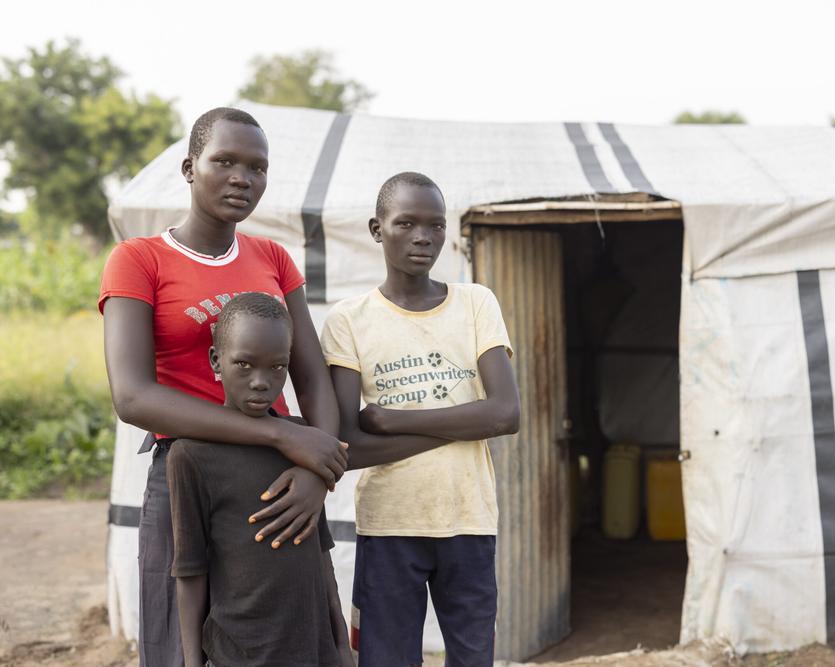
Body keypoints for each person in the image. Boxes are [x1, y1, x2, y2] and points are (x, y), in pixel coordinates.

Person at [100, 107, 348, 667]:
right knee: (178, 638)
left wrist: (316, 471)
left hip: (276, 483)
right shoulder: (139, 261)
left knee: (295, 634)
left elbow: (311, 374)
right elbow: (133, 396)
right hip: (186, 470)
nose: (243, 177)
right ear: (190, 168)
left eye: (257, 167)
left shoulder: (273, 258)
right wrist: (283, 439)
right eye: (225, 161)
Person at [321, 171, 521, 666]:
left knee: (474, 658)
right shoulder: (349, 319)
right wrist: (461, 425)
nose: (422, 237)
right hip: (388, 524)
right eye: (406, 223)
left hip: (468, 519)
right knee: (385, 659)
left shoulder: (476, 302)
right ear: (376, 228)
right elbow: (349, 445)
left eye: (435, 225)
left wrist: (393, 420)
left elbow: (506, 413)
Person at [168, 292, 352, 667]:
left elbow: (321, 558)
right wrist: (190, 662)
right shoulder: (190, 455)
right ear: (216, 361)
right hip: (239, 652)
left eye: (277, 367)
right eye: (245, 364)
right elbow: (190, 571)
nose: (261, 382)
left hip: (313, 650)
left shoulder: (303, 442)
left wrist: (342, 648)